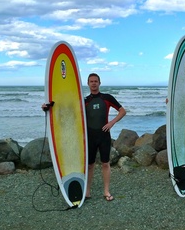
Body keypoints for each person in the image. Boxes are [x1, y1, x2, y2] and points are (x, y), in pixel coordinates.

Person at [42, 73, 126, 202]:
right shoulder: (84, 101)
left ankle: (106, 191)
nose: (93, 83)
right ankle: (87, 191)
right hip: (90, 137)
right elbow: (66, 108)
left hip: (104, 136)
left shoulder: (107, 98)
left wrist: (111, 123)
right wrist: (47, 107)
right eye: (91, 81)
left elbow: (122, 111)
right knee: (90, 165)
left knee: (105, 163)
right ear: (88, 83)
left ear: (99, 83)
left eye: (96, 81)